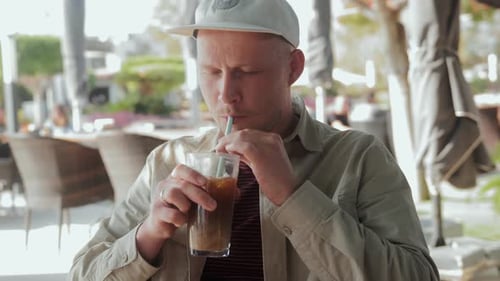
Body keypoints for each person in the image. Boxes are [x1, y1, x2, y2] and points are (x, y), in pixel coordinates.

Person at [69, 0, 439, 280]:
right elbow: (83, 272)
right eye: (211, 72)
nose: (225, 95)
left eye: (246, 72)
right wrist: (148, 235)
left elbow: (418, 275)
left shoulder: (358, 158)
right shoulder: (169, 160)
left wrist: (293, 196)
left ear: (293, 68)